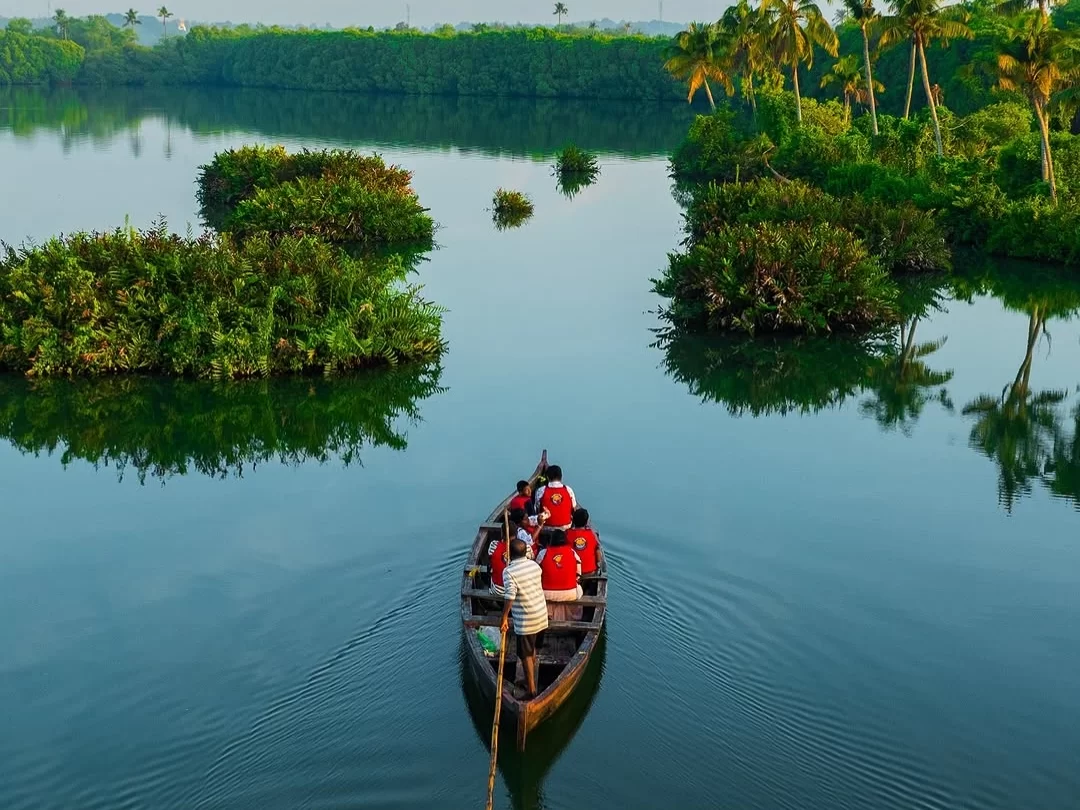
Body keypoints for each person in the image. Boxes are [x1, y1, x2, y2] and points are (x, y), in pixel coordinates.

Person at [500, 537, 549, 698]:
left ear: (510, 554)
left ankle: (531, 690)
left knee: (526, 655)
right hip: (541, 614)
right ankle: (530, 678)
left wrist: (504, 618)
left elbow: (510, 596)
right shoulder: (535, 566)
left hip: (527, 620)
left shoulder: (509, 572)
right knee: (532, 650)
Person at [536, 529, 583, 602]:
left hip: (546, 594)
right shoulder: (572, 552)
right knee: (580, 590)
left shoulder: (543, 553)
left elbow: (536, 569)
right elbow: (578, 574)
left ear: (551, 540)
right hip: (571, 594)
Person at [534, 464, 576, 530]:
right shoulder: (568, 490)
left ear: (547, 477)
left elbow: (537, 509)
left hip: (546, 527)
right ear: (561, 477)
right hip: (566, 528)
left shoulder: (541, 490)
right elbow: (574, 509)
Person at [566, 508, 603, 576]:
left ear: (573, 520)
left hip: (573, 573)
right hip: (590, 572)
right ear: (586, 522)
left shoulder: (567, 534)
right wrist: (598, 566)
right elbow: (598, 550)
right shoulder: (591, 534)